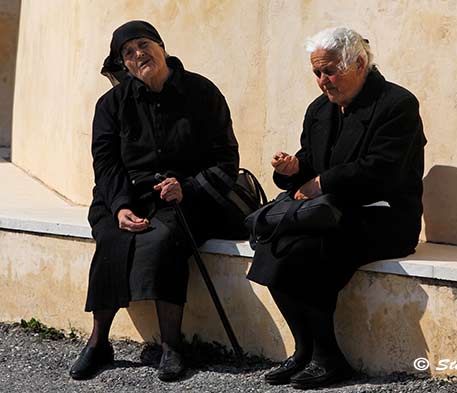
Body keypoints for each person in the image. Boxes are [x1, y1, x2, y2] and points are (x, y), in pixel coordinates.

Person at [247, 27, 427, 389]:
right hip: (329, 212)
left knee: (310, 251)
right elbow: (313, 161)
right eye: (317, 73)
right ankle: (304, 350)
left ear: (359, 63)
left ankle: (328, 358)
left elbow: (382, 169)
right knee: (274, 246)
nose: (323, 81)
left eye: (329, 70)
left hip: (385, 216)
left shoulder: (396, 105)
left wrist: (323, 183)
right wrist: (294, 169)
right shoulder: (319, 110)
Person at [69, 20, 239, 382]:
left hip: (185, 196)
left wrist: (188, 188)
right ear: (123, 65)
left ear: (161, 46)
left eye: (144, 45)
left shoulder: (202, 92)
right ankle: (99, 342)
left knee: (164, 238)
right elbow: (106, 162)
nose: (138, 55)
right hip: (126, 194)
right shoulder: (112, 104)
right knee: (113, 238)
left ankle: (171, 346)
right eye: (128, 53)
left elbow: (226, 158)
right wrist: (119, 206)